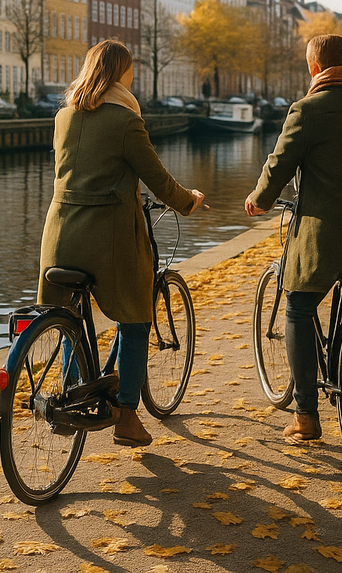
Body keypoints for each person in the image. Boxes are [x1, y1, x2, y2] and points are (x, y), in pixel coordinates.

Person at [38, 40, 206, 447]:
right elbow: (158, 180)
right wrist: (189, 200)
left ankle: (74, 394)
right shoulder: (126, 120)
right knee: (135, 319)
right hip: (108, 239)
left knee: (71, 317)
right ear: (121, 73)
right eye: (131, 70)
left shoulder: (63, 116)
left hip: (60, 235)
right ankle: (127, 418)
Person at [245, 33, 342, 443]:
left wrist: (259, 199)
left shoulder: (307, 110)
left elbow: (279, 165)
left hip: (325, 235)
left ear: (314, 67)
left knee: (298, 306)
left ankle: (306, 416)